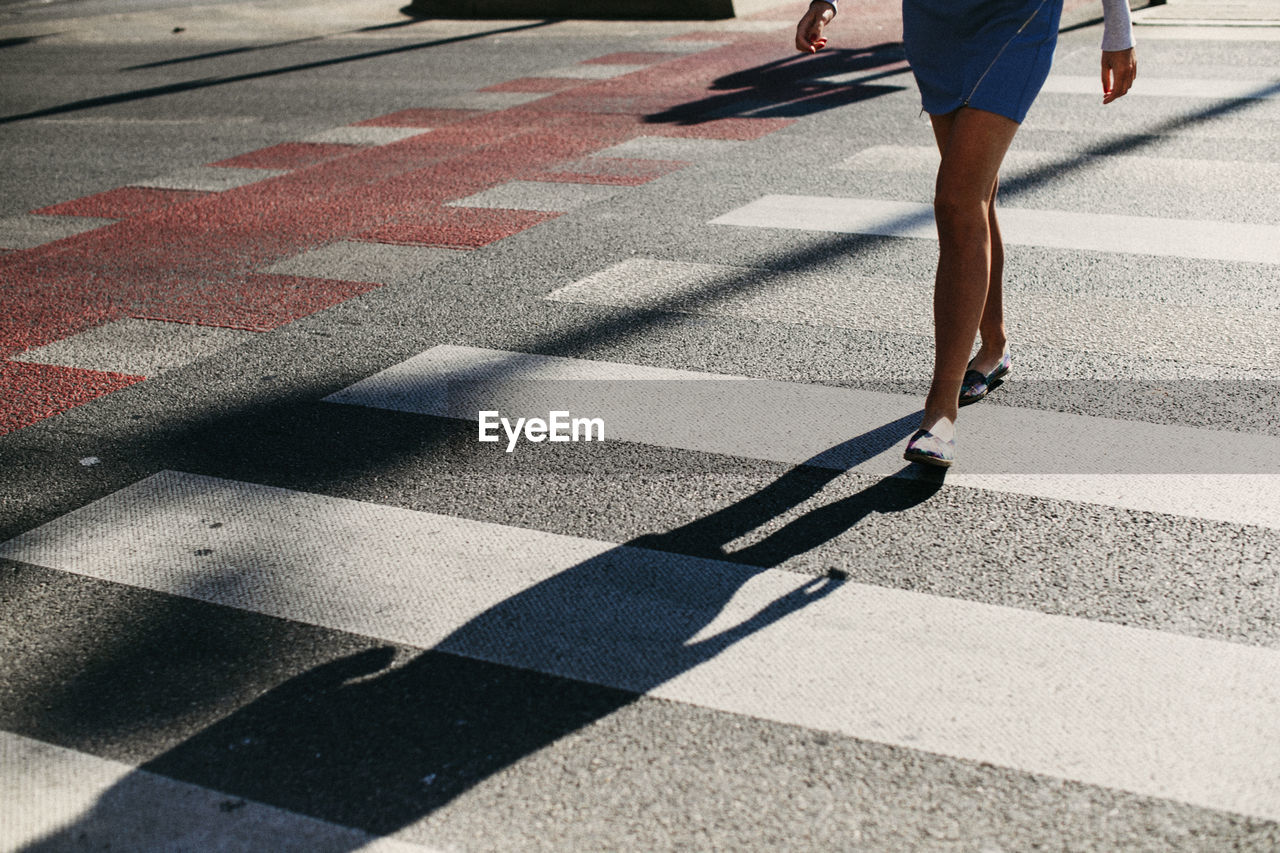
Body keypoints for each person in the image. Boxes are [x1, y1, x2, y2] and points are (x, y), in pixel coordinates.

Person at [795, 0, 1137, 467]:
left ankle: (940, 416)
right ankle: (993, 346)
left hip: (1016, 18)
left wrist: (1118, 27)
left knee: (956, 201)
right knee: (973, 199)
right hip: (935, 23)